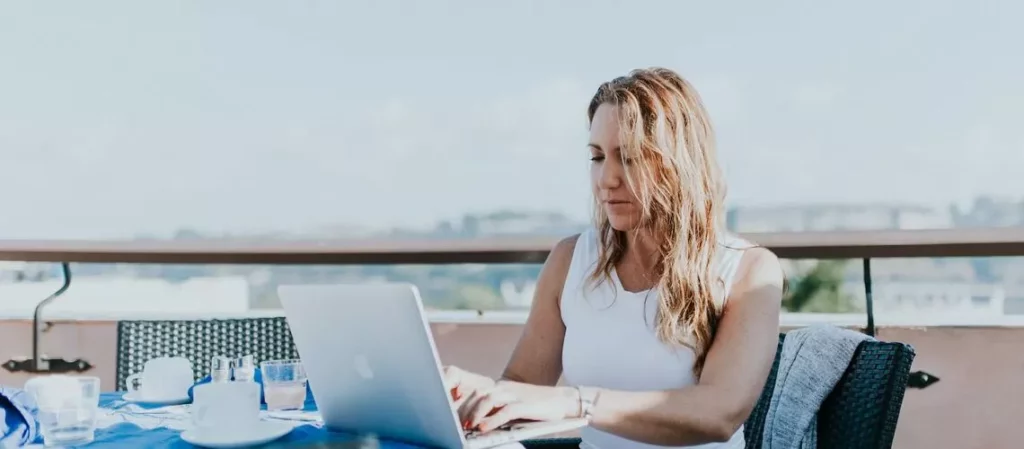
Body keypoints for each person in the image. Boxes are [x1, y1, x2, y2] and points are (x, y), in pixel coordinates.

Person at [444, 67, 784, 448]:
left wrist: (577, 403)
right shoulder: (570, 260)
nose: (607, 178)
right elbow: (523, 387)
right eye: (597, 157)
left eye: (630, 157)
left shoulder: (749, 271)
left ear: (680, 163)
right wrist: (479, 395)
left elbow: (718, 413)